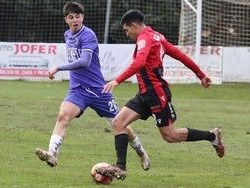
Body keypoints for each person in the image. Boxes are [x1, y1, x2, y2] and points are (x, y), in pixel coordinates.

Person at [96, 9, 225, 180]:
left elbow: (140, 61)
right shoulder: (157, 36)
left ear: (134, 26)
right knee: (119, 122)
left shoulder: (145, 38)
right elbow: (180, 55)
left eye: (127, 30)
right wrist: (200, 74)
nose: (127, 34)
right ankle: (120, 168)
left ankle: (212, 136)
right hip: (144, 94)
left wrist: (117, 81)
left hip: (156, 94)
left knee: (170, 136)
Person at [35, 2, 150, 171]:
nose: (75, 20)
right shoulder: (67, 35)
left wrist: (59, 67)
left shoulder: (88, 35)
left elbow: (85, 61)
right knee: (63, 116)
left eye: (78, 16)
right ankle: (52, 153)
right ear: (66, 19)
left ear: (83, 17)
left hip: (98, 91)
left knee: (120, 124)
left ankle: (141, 152)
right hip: (78, 90)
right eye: (71, 17)